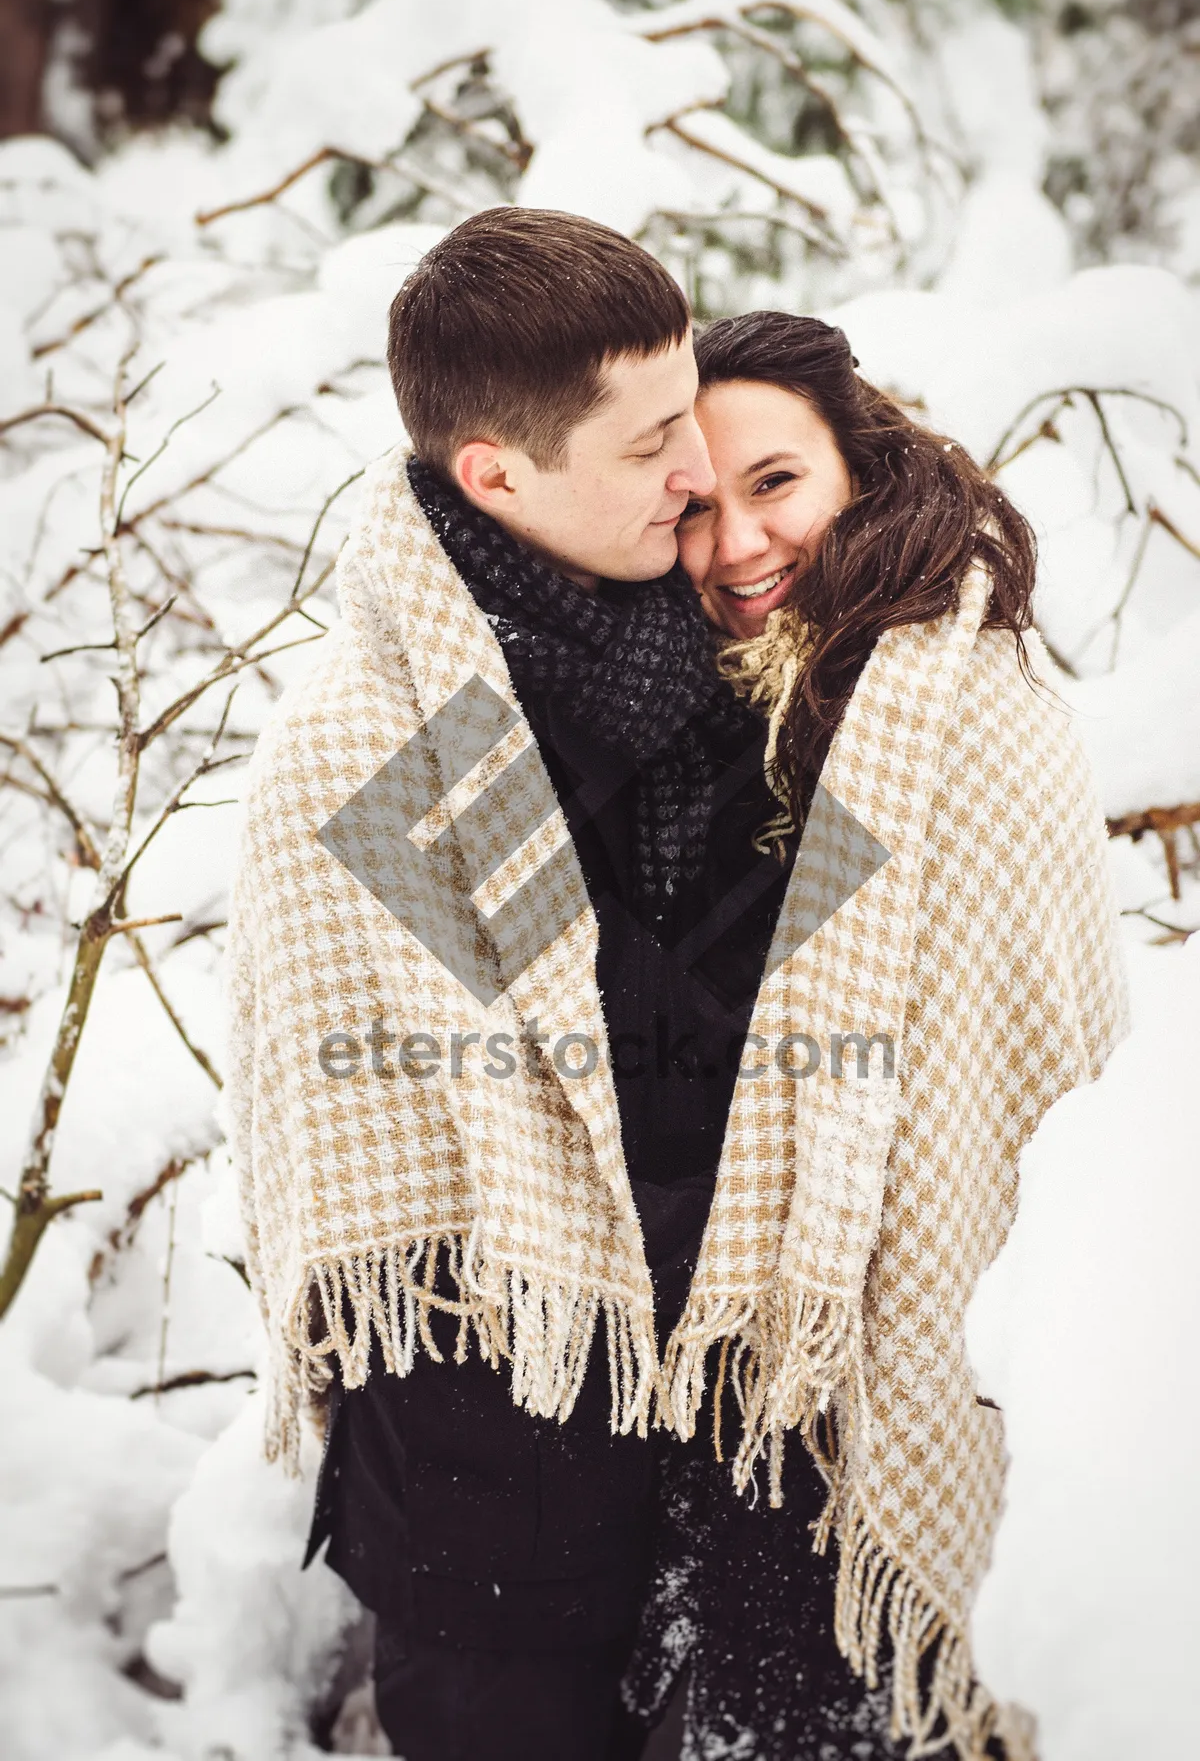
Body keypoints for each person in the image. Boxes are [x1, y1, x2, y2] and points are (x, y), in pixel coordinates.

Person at [221, 209, 797, 1761]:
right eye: (654, 435)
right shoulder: (379, 758)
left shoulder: (716, 638)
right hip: (501, 1514)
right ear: (497, 476)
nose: (700, 461)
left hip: (729, 1449)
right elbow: (609, 1086)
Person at [612, 311, 1133, 1761]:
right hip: (722, 1342)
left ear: (863, 461)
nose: (736, 548)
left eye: (775, 483)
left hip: (891, 1334)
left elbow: (1019, 1056)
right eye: (699, 507)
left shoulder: (960, 715)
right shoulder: (716, 712)